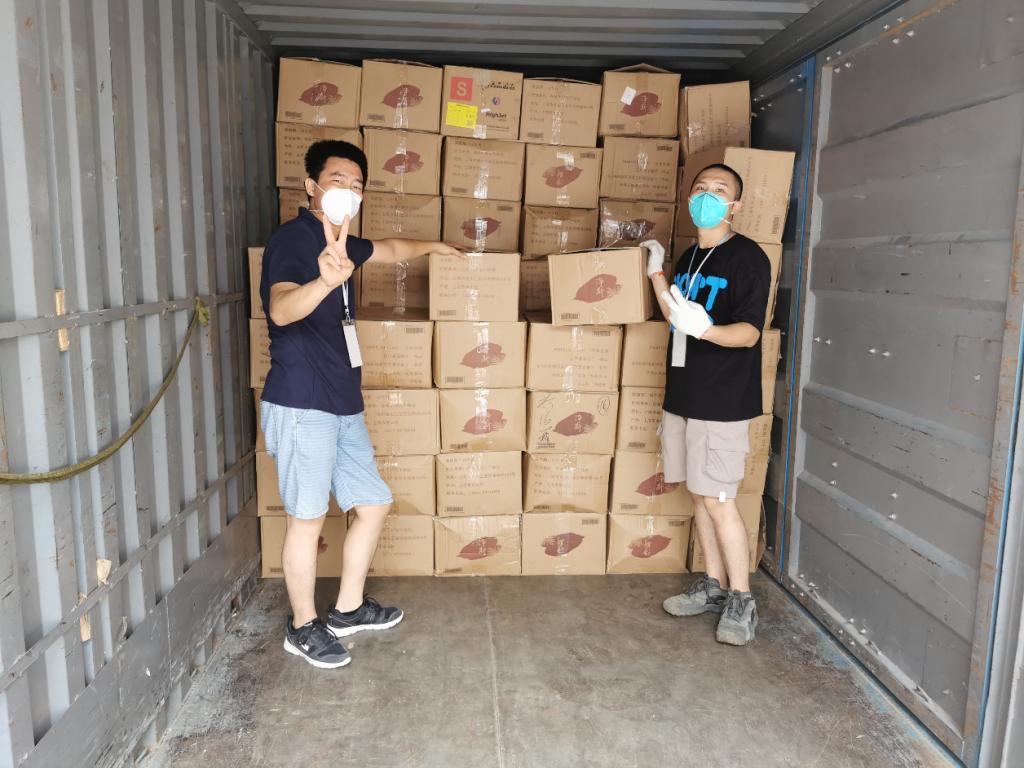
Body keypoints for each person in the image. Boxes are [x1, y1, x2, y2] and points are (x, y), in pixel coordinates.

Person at [260, 139, 463, 668]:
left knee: (372, 504)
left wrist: (436, 246)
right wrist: (324, 281)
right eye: (337, 180)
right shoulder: (293, 240)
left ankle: (348, 610)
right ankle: (301, 626)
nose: (347, 190)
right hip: (303, 401)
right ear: (311, 186)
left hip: (342, 404)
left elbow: (390, 248)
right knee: (307, 519)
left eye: (356, 185)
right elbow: (280, 310)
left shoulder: (345, 241)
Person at [641, 163, 771, 647]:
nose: (707, 196)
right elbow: (674, 314)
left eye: (720, 190)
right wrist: (657, 272)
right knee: (698, 496)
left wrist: (710, 331)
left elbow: (750, 332)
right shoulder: (690, 255)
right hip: (684, 394)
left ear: (735, 205)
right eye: (701, 188)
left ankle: (742, 600)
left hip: (721, 400)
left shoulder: (748, 257)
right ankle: (714, 586)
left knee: (718, 500)